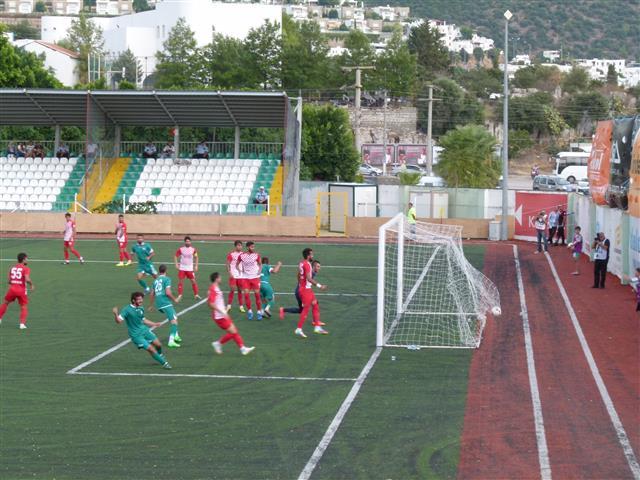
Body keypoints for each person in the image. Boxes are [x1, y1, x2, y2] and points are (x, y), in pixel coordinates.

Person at [112, 292, 171, 369]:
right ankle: (164, 363)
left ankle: (159, 355)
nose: (141, 301)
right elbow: (118, 321)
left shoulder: (141, 308)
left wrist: (154, 324)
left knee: (158, 344)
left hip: (144, 330)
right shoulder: (127, 310)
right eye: (139, 299)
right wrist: (116, 314)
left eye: (142, 299)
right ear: (133, 300)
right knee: (151, 349)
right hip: (136, 335)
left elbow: (143, 320)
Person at [208, 272, 255, 356]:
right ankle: (220, 344)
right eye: (219, 277)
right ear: (216, 279)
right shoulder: (213, 289)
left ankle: (241, 348)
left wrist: (224, 311)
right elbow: (211, 303)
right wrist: (222, 312)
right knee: (233, 331)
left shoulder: (216, 288)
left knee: (234, 331)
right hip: (220, 317)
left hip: (222, 315)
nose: (221, 279)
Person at [295, 248, 328, 338]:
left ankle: (317, 326)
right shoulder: (308, 265)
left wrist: (300, 285)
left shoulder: (301, 263)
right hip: (306, 291)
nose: (312, 256)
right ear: (308, 255)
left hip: (305, 289)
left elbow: (298, 274)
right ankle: (299, 329)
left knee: (315, 304)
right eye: (312, 254)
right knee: (305, 310)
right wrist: (320, 286)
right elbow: (309, 278)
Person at [149, 264, 182, 348]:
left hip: (159, 303)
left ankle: (176, 336)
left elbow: (152, 293)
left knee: (175, 316)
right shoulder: (167, 279)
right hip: (165, 303)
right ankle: (171, 341)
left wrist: (151, 305)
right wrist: (175, 300)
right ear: (166, 271)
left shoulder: (155, 280)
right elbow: (168, 292)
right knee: (174, 322)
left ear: (159, 271)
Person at [0, 252, 34, 329]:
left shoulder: (12, 268)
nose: (27, 260)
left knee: (5, 303)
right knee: (24, 306)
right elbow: (27, 279)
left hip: (12, 289)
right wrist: (31, 284)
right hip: (21, 290)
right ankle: (22, 324)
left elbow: (9, 281)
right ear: (23, 259)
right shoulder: (25, 268)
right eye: (26, 259)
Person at [236, 241, 262, 320]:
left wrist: (259, 271)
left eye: (253, 247)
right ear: (247, 247)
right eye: (251, 247)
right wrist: (240, 270)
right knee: (246, 295)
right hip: (246, 278)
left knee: (257, 295)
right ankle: (250, 311)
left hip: (255, 278)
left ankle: (259, 312)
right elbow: (237, 265)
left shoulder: (256, 255)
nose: (253, 248)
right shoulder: (242, 256)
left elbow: (260, 264)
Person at [174, 235, 200, 301]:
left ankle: (196, 294)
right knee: (181, 281)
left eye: (189, 241)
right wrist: (176, 264)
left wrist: (196, 265)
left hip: (190, 268)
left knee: (193, 281)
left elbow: (196, 257)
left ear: (190, 242)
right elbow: (175, 256)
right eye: (186, 241)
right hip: (182, 268)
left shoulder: (193, 249)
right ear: (184, 242)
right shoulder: (181, 249)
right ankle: (180, 295)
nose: (188, 242)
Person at [226, 240, 244, 312]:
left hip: (240, 275)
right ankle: (229, 306)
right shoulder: (231, 254)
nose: (240, 247)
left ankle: (241, 306)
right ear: (235, 246)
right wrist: (229, 272)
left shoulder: (243, 254)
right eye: (238, 245)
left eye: (241, 245)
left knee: (240, 290)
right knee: (232, 289)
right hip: (233, 275)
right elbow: (227, 264)